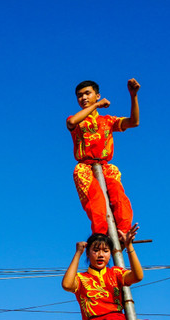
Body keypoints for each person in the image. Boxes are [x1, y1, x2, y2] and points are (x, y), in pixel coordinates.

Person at [66, 79, 140, 235]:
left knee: (119, 197)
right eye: (79, 96)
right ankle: (100, 237)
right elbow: (72, 122)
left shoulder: (107, 120)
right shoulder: (76, 119)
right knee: (96, 203)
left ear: (97, 95)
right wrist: (96, 106)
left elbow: (134, 122)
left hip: (106, 166)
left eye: (87, 93)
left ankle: (122, 232)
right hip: (85, 167)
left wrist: (133, 96)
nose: (84, 98)